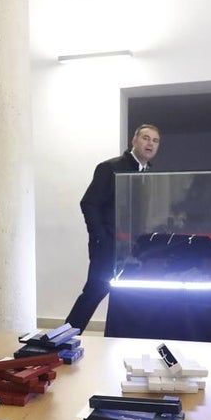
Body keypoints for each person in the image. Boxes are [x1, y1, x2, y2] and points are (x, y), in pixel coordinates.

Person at [66, 124, 160, 331]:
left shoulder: (150, 173)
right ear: (134, 141)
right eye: (145, 138)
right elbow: (89, 203)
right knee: (95, 291)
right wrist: (101, 238)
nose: (150, 144)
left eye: (155, 140)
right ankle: (62, 339)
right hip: (109, 245)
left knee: (129, 294)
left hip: (135, 247)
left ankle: (122, 338)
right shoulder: (110, 168)